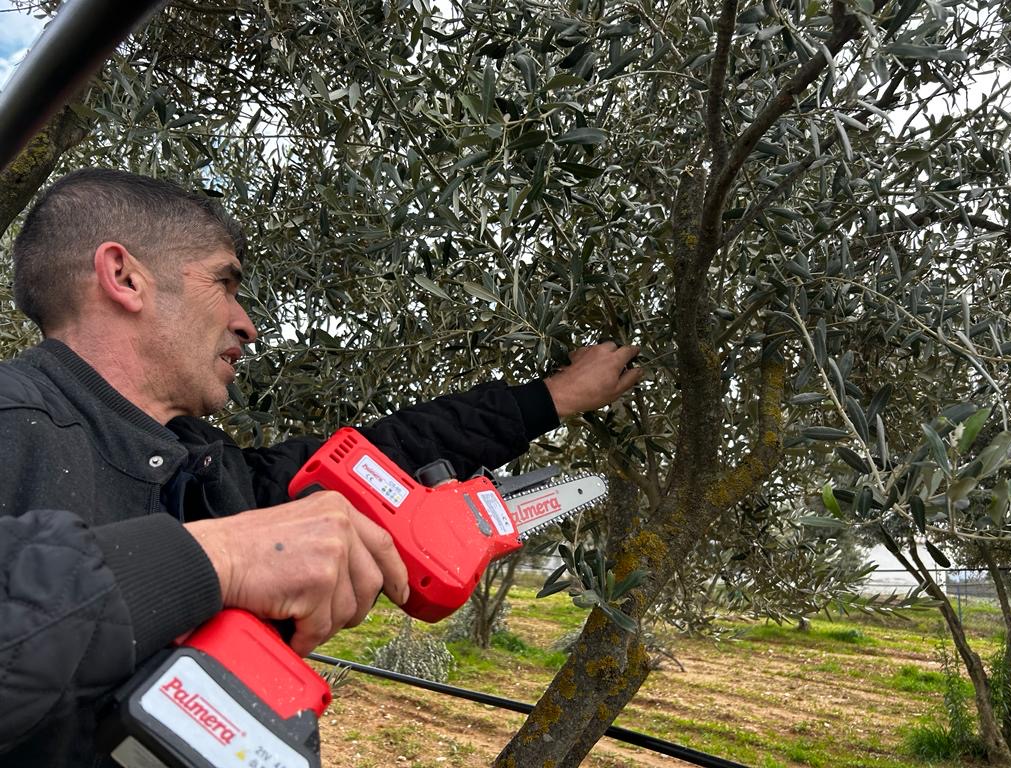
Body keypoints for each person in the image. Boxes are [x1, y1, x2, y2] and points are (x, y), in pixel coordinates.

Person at [0, 168, 643, 766]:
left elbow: (379, 455)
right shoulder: (12, 421)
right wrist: (217, 561)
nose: (246, 323)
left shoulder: (207, 471)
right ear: (125, 276)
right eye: (224, 283)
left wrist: (550, 400)